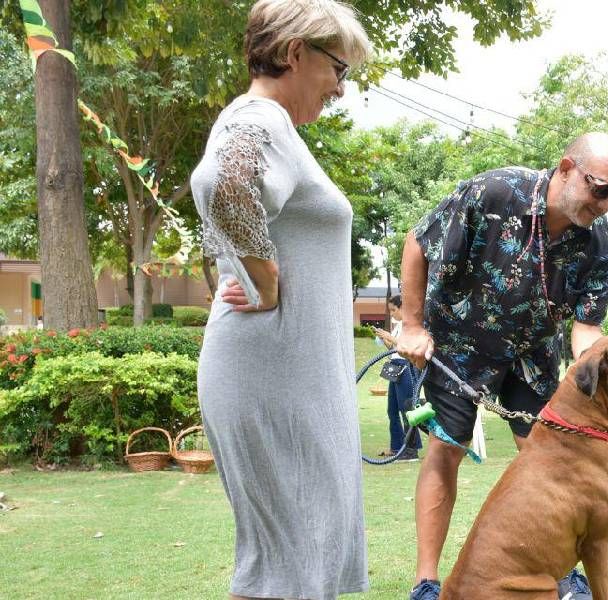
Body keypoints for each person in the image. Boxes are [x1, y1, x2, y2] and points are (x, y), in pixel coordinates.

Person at [394, 132, 608, 600]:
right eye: (599, 188)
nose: (605, 203)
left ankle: (561, 572)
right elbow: (418, 243)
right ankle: (426, 583)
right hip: (459, 345)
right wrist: (413, 325)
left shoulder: (604, 246)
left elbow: (586, 327)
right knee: (446, 450)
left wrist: (587, 369)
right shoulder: (496, 192)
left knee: (547, 458)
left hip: (534, 354)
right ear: (566, 168)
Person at [190, 1, 372, 598]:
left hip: (289, 373)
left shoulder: (275, 129)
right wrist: (266, 285)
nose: (340, 89)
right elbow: (226, 181)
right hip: (272, 369)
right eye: (339, 69)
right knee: (287, 562)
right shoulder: (259, 119)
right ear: (297, 53)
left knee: (294, 558)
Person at [374, 294, 422, 461]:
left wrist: (389, 336)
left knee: (407, 409)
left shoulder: (411, 325)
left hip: (406, 368)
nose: (392, 314)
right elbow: (393, 347)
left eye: (394, 310)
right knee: (392, 410)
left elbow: (405, 346)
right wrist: (385, 338)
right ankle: (396, 447)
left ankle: (412, 449)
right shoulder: (398, 326)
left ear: (403, 308)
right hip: (395, 367)